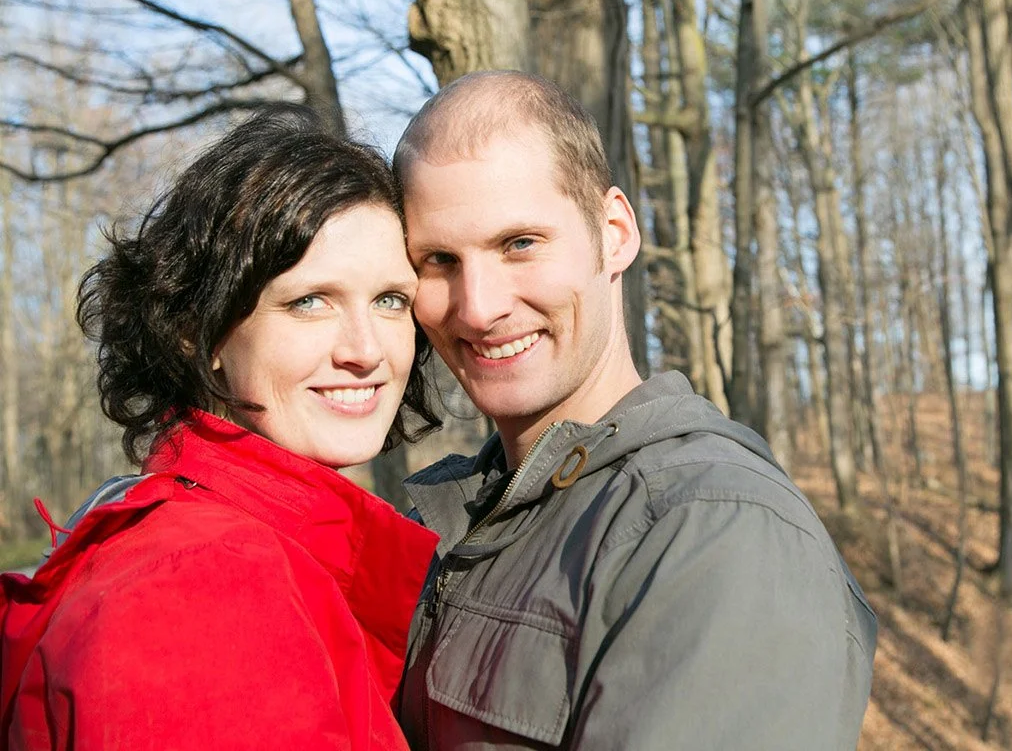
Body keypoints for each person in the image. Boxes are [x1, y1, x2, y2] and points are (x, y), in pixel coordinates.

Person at [393, 70, 877, 750]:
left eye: (519, 244)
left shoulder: (713, 528)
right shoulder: (443, 526)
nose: (479, 306)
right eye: (439, 259)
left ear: (614, 232)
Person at [0, 106, 442, 750]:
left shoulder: (240, 544)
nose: (365, 349)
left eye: (389, 300)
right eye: (309, 301)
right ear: (197, 333)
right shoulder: (203, 583)